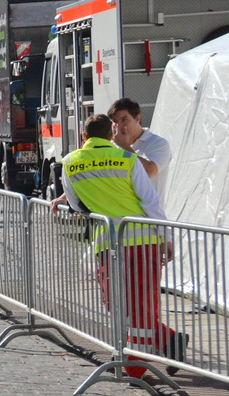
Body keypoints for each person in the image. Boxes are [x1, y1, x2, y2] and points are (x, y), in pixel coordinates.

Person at [50, 114, 180, 379]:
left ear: (84, 136)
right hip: (143, 240)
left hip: (108, 241)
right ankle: (165, 342)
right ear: (111, 134)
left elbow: (76, 204)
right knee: (141, 304)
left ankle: (135, 365)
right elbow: (150, 202)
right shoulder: (128, 159)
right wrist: (166, 238)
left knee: (117, 304)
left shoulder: (70, 162)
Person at [107, 98, 171, 181]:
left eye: (124, 120)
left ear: (138, 118)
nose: (119, 125)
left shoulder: (158, 143)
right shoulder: (112, 145)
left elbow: (149, 172)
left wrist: (124, 146)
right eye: (115, 121)